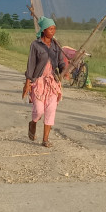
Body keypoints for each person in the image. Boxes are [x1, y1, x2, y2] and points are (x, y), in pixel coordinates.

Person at [23, 17, 65, 148]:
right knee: (39, 110)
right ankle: (33, 123)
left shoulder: (56, 45)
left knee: (51, 110)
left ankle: (45, 139)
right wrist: (27, 83)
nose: (53, 31)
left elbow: (60, 62)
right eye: (51, 29)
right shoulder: (35, 45)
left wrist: (65, 70)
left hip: (52, 82)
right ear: (44, 30)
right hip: (39, 82)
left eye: (54, 29)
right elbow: (31, 64)